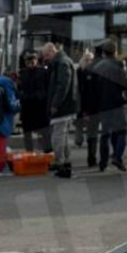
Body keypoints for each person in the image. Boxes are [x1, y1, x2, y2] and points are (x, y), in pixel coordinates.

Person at [92, 40, 127, 172]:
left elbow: (94, 89)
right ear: (115, 52)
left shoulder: (97, 67)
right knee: (122, 131)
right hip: (118, 103)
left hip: (103, 105)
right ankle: (117, 157)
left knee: (105, 134)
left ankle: (102, 163)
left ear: (104, 53)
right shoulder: (119, 64)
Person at [42, 42, 77, 179]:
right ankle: (65, 162)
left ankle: (60, 162)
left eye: (46, 55)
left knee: (57, 136)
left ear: (52, 51)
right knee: (63, 136)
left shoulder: (61, 63)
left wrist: (55, 104)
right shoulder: (62, 61)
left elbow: (62, 85)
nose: (46, 58)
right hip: (67, 106)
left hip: (62, 107)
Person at [18, 52, 51, 153]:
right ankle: (37, 152)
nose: (30, 64)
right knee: (39, 132)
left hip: (36, 106)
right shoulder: (25, 73)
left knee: (40, 133)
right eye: (29, 62)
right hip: (34, 107)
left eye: (32, 62)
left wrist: (25, 96)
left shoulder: (39, 72)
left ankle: (44, 152)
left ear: (36, 61)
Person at [75, 49, 95, 151]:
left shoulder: (93, 73)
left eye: (90, 60)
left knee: (88, 124)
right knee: (79, 124)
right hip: (79, 101)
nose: (89, 62)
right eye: (87, 60)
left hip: (89, 103)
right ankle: (79, 140)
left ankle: (87, 140)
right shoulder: (78, 72)